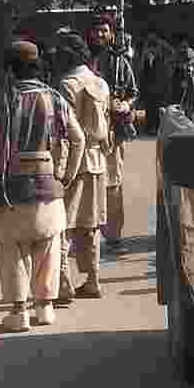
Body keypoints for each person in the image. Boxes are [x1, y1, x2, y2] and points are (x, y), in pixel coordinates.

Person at [0, 40, 85, 331]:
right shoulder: (55, 97)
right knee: (48, 247)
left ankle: (18, 311)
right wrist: (66, 175)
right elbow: (78, 138)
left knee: (13, 251)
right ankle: (45, 308)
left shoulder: (2, 100)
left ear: (10, 68)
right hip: (50, 186)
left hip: (12, 189)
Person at [56, 32, 111, 300]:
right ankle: (93, 280)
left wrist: (60, 170)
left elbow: (65, 132)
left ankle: (63, 282)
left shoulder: (65, 85)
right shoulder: (99, 82)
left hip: (74, 163)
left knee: (63, 224)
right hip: (98, 160)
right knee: (91, 225)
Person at [89, 14, 138, 252]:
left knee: (113, 183)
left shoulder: (121, 63)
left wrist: (126, 105)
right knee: (87, 182)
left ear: (111, 34)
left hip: (112, 132)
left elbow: (132, 92)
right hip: (86, 132)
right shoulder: (83, 60)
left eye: (104, 31)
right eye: (96, 30)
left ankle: (113, 237)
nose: (100, 35)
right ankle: (88, 234)